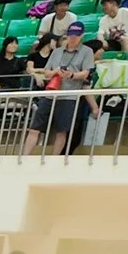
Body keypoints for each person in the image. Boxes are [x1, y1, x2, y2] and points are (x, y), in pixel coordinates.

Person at [32, 23, 97, 155]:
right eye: (71, 35)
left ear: (82, 36)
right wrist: (56, 72)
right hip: (51, 92)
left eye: (76, 35)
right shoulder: (57, 52)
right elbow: (46, 72)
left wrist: (71, 75)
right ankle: (25, 156)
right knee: (35, 127)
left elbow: (85, 74)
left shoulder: (87, 51)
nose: (73, 38)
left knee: (62, 130)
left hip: (69, 95)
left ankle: (54, 158)